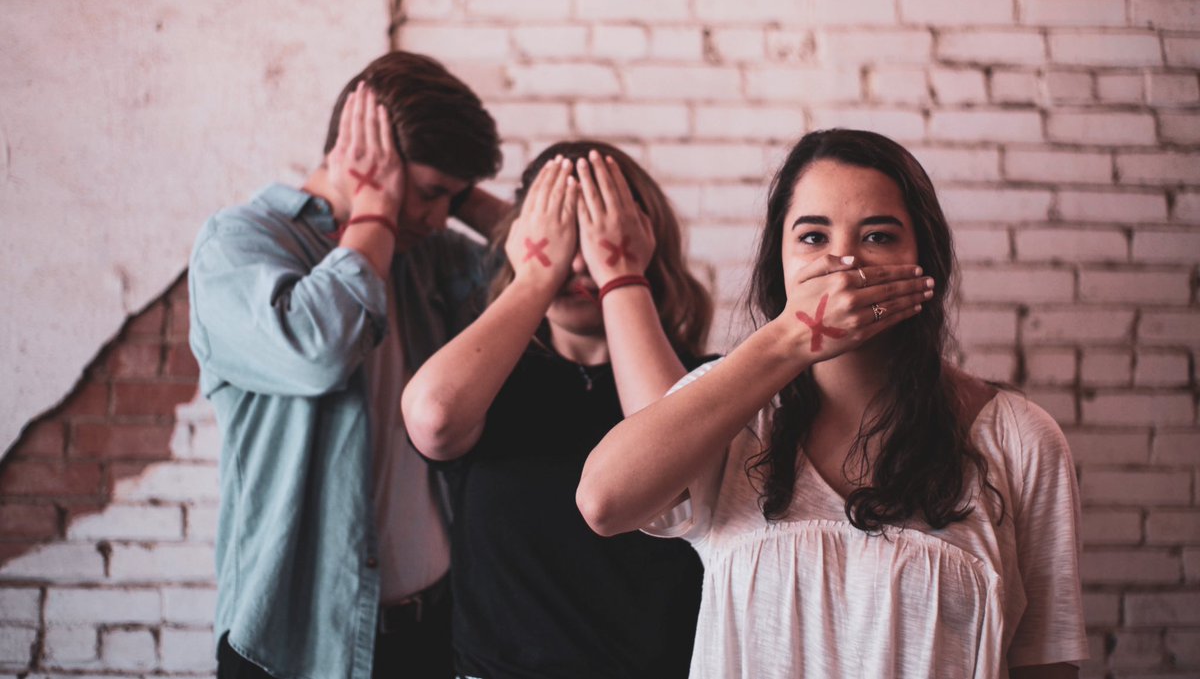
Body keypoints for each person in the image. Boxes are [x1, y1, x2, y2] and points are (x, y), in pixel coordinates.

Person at [577, 129, 1088, 679]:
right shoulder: (733, 412)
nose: (843, 263)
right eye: (813, 237)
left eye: (878, 236)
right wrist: (791, 338)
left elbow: (1046, 661)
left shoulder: (1020, 438)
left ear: (925, 258)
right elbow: (604, 503)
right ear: (779, 261)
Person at [188, 51, 506, 679]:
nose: (437, 217)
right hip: (295, 648)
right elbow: (318, 352)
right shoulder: (240, 242)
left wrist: (465, 200)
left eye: (452, 200)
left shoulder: (424, 252)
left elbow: (542, 272)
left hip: (431, 633)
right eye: (431, 193)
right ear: (369, 158)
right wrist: (376, 212)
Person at [402, 141, 712, 679]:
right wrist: (535, 276)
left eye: (596, 238)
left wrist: (620, 275)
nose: (579, 262)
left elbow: (671, 475)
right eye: (562, 238)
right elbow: (433, 418)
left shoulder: (707, 382)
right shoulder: (490, 380)